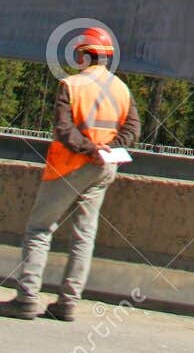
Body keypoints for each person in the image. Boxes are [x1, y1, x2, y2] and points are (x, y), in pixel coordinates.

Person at [0, 26, 140, 322]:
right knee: (83, 236)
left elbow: (64, 130)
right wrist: (107, 148)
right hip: (103, 168)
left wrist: (89, 149)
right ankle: (67, 303)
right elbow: (133, 129)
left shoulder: (72, 85)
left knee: (40, 229)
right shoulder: (121, 89)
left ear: (81, 56)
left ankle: (26, 299)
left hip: (69, 167)